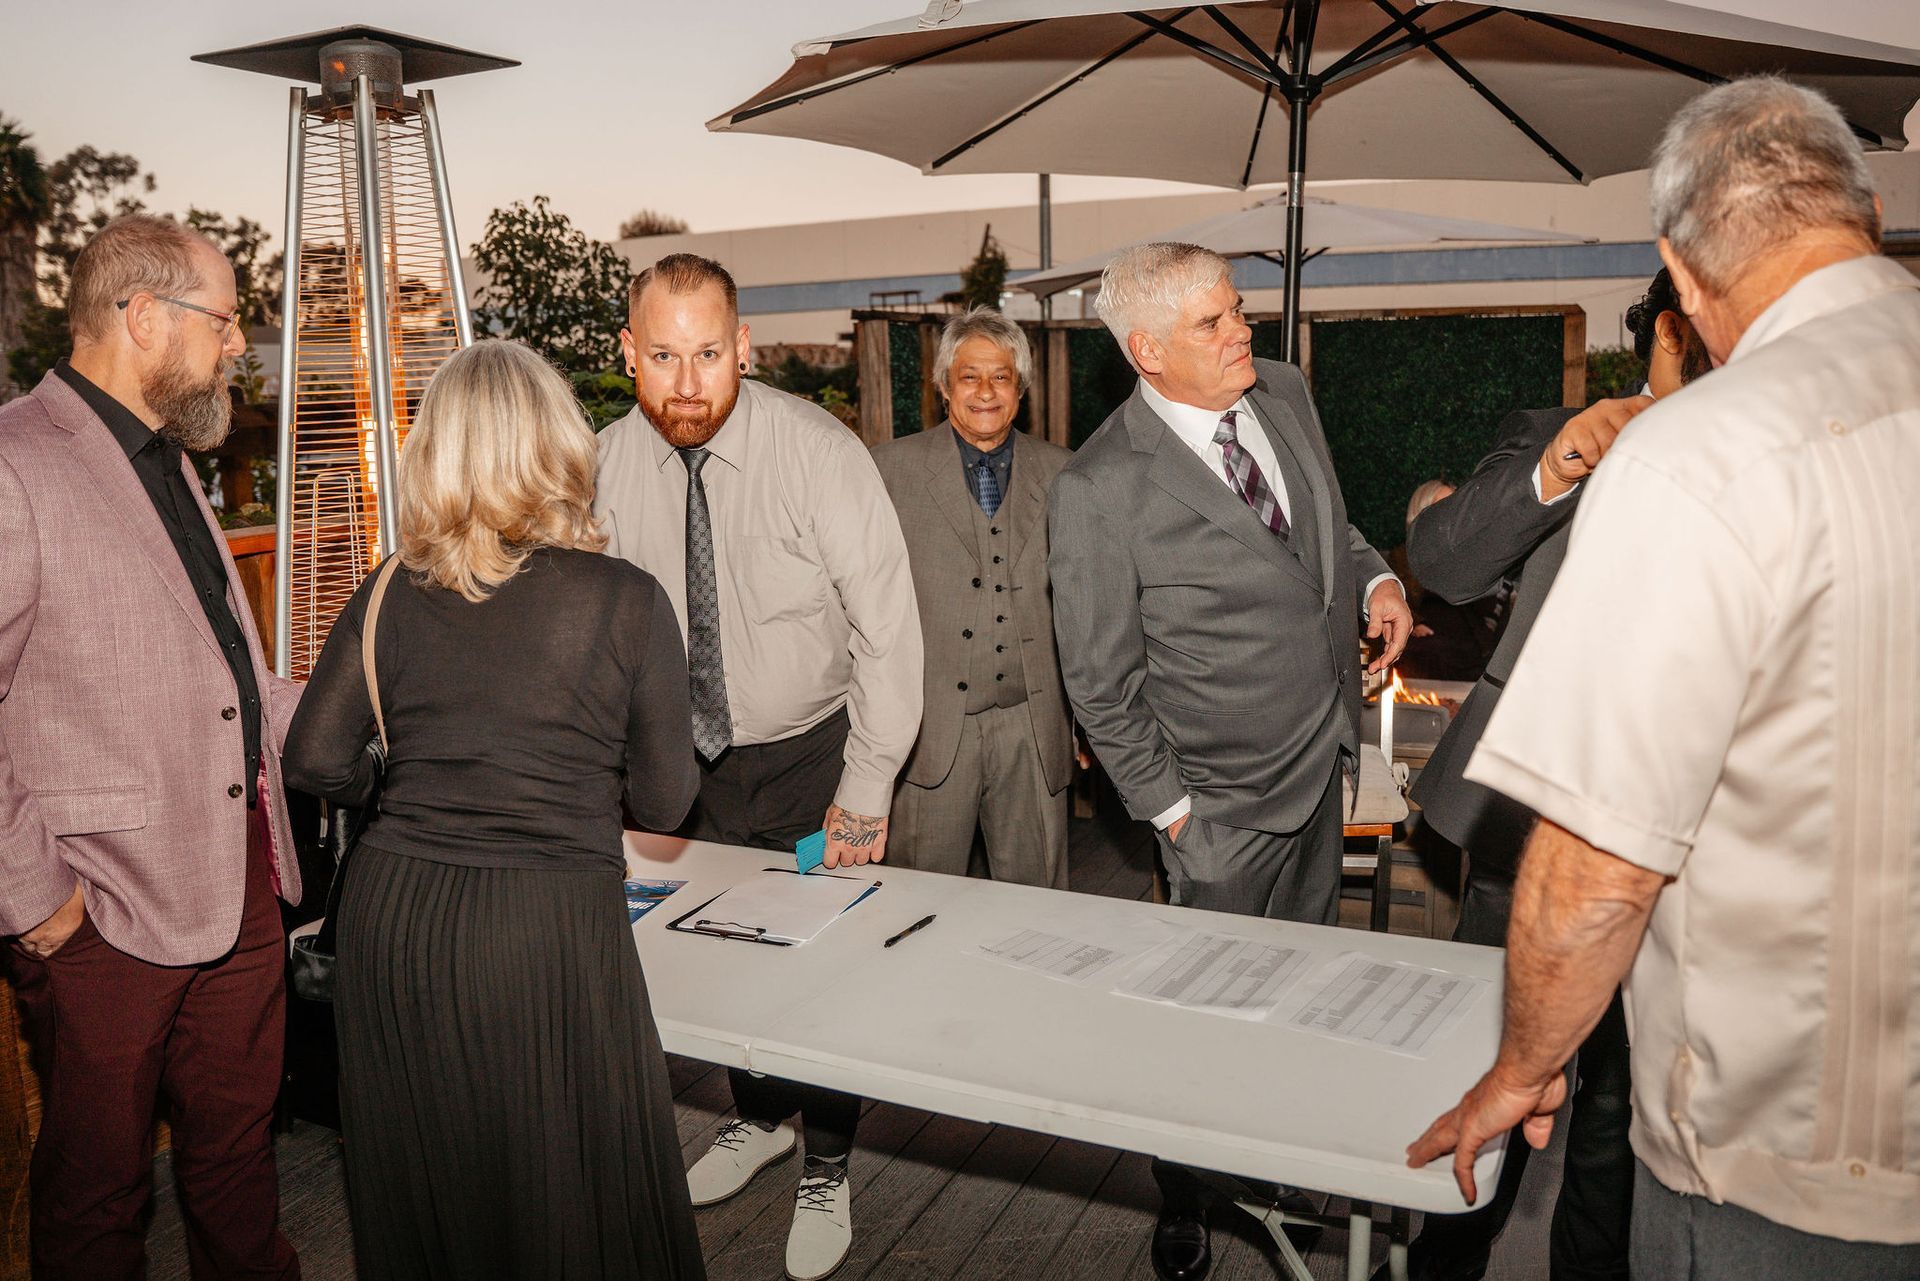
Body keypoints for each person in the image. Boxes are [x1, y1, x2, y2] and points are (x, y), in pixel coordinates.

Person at [1409, 77, 1920, 1279]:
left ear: (1688, 277)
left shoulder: (1702, 457)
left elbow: (1598, 871)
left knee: (1603, 1141)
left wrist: (1523, 1064)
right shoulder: (1577, 430)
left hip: (1761, 1119)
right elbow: (1442, 552)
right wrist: (1576, 449)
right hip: (1518, 847)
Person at [282, 339, 704, 1280]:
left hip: (397, 925)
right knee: (567, 1183)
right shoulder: (625, 600)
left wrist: (407, 788)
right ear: (559, 444)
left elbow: (313, 756)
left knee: (429, 1185)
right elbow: (669, 802)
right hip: (543, 924)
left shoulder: (388, 587)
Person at [1048, 241, 1412, 1281]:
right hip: (1216, 813)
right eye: (1212, 323)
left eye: (1236, 308)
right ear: (1148, 351)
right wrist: (1174, 822)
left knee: (1301, 992)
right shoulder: (1099, 489)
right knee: (1199, 1023)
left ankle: (1282, 1159)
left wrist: (1377, 575)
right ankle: (1189, 1191)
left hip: (1323, 770)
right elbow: (1101, 687)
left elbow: (1323, 532)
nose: (1240, 330)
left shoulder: (1285, 391)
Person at [595, 253, 923, 1281]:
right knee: (718, 959)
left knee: (818, 970)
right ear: (628, 355)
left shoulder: (821, 456)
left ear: (744, 347)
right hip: (673, 768)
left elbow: (890, 637)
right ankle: (760, 1119)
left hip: (811, 760)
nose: (686, 385)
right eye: (661, 356)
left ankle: (827, 1160)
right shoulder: (598, 465)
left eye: (707, 354)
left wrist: (864, 794)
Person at [0, 214, 303, 1281]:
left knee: (235, 1159)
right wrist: (39, 901)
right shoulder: (13, 460)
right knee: (96, 1194)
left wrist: (381, 701)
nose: (236, 346)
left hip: (240, 886)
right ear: (141, 317)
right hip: (101, 912)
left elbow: (231, 677)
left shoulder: (168, 459)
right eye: (223, 322)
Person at [1390, 269, 1708, 1281]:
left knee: (1622, 1105)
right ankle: (1445, 1264)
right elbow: (1440, 559)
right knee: (1493, 1075)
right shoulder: (1555, 432)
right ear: (1675, 328)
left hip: (1682, 842)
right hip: (1528, 827)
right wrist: (1562, 467)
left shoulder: (1756, 453)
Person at [871, 307, 1075, 888]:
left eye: (1002, 377)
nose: (985, 391)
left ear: (1021, 389)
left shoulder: (1067, 475)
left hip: (1034, 730)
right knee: (916, 905)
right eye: (969, 376)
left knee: (1040, 913)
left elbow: (1087, 609)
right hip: (930, 734)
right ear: (943, 386)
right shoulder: (887, 471)